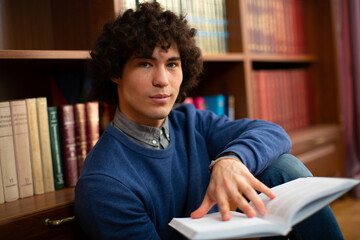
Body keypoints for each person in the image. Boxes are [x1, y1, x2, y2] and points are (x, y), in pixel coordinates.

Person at [75, 2, 344, 240]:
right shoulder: (105, 183)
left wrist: (231, 160)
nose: (163, 80)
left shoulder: (190, 121)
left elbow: (273, 133)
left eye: (172, 64)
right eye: (145, 64)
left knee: (281, 166)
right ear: (115, 73)